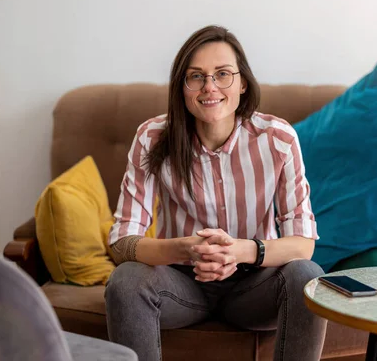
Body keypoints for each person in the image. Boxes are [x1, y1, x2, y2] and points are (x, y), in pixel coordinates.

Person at [105, 25, 327, 361]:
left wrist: (239, 251)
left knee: (307, 276)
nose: (209, 87)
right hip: (179, 286)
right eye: (196, 76)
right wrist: (185, 249)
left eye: (222, 74)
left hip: (254, 286)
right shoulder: (151, 137)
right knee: (126, 281)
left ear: (242, 83)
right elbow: (122, 243)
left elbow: (303, 244)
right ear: (182, 87)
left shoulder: (278, 139)